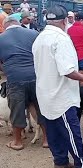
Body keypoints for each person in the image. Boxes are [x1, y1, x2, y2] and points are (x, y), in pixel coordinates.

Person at [32, 5, 83, 168]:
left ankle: (60, 161)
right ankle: (81, 166)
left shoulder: (40, 38)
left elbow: (56, 68)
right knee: (72, 131)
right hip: (60, 95)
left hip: (45, 92)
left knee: (54, 130)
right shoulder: (61, 39)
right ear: (64, 21)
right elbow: (67, 70)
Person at [0, 16, 47, 150]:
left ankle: (18, 142)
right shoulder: (34, 34)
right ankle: (46, 140)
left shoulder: (1, 38)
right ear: (18, 24)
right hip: (35, 77)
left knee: (17, 110)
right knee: (40, 108)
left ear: (5, 26)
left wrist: (8, 69)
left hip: (15, 79)